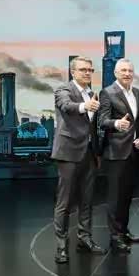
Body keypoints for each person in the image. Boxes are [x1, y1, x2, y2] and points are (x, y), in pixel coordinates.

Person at [51, 56, 106, 263]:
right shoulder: (64, 90)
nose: (87, 73)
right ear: (73, 72)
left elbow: (92, 127)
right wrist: (85, 106)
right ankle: (61, 246)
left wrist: (97, 152)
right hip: (68, 153)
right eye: (83, 69)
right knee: (64, 202)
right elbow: (66, 106)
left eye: (90, 70)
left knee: (87, 200)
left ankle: (84, 239)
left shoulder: (92, 94)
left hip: (89, 154)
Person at [98, 58, 139, 253]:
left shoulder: (138, 93)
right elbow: (102, 121)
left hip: (134, 152)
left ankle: (124, 231)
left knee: (127, 195)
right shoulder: (107, 92)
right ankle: (115, 237)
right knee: (115, 197)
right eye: (123, 70)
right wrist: (117, 124)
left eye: (130, 71)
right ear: (116, 73)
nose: (127, 74)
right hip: (116, 152)